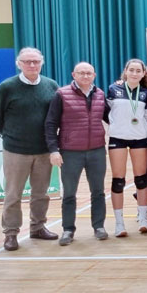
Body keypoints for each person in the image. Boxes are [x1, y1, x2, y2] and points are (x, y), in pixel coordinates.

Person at [0, 48, 59, 251]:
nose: (32, 65)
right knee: (13, 194)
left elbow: (55, 115)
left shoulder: (51, 85)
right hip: (16, 151)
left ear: (42, 63)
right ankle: (11, 233)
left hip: (43, 150)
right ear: (18, 63)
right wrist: (13, 135)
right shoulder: (7, 87)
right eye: (27, 61)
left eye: (36, 61)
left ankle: (37, 227)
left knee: (41, 193)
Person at [44, 62, 108, 246]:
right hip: (70, 152)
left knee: (98, 192)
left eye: (89, 73)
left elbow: (111, 116)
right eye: (82, 73)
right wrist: (54, 150)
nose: (86, 76)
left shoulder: (100, 94)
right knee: (69, 194)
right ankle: (68, 229)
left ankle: (99, 227)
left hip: (96, 150)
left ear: (94, 75)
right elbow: (50, 124)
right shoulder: (61, 94)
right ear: (74, 74)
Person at [105, 59, 147, 236]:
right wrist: (117, 125)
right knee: (118, 180)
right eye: (131, 70)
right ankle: (119, 223)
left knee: (141, 179)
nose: (134, 73)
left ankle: (142, 218)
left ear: (143, 74)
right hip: (118, 138)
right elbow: (106, 112)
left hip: (139, 139)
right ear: (125, 72)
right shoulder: (113, 89)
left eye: (137, 71)